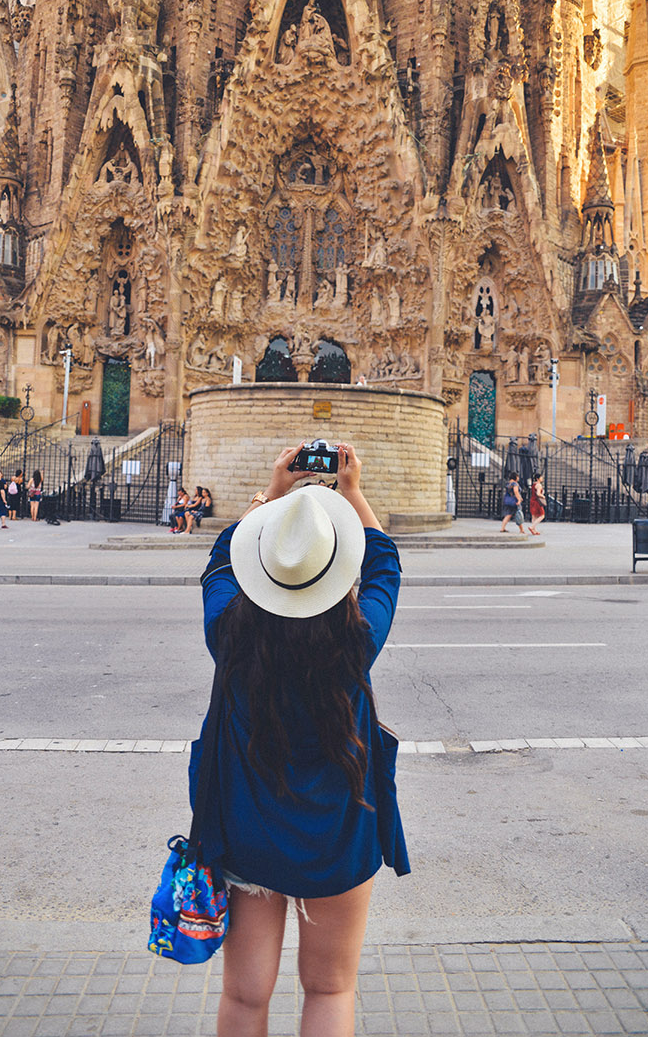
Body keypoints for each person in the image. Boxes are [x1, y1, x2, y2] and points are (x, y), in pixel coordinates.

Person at [198, 442, 409, 1033]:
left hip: (248, 832)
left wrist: (270, 494)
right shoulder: (356, 640)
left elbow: (218, 563)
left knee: (244, 997)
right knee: (330, 988)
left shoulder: (230, 637)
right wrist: (354, 493)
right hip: (338, 830)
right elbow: (386, 563)